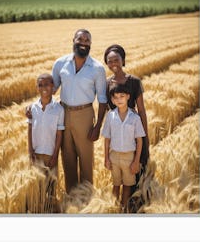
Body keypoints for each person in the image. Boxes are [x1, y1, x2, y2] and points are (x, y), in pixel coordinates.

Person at [51, 29, 107, 193]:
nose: (83, 42)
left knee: (86, 158)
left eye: (87, 40)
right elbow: (51, 89)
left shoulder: (97, 68)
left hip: (85, 114)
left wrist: (97, 127)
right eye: (80, 39)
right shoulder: (60, 63)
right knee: (67, 157)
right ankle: (71, 196)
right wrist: (35, 106)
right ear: (73, 40)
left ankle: (87, 196)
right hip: (63, 113)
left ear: (90, 44)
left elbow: (102, 100)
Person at [103, 44, 149, 194]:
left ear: (123, 60)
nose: (113, 64)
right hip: (116, 129)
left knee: (134, 170)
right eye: (109, 61)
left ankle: (133, 204)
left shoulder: (135, 82)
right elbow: (104, 107)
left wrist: (144, 135)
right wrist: (98, 126)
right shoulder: (107, 83)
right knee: (116, 176)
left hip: (132, 128)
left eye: (116, 59)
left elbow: (141, 110)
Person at [102, 84, 146, 212]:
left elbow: (139, 141)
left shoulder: (135, 118)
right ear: (112, 100)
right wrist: (106, 158)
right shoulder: (110, 116)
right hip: (114, 156)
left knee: (127, 185)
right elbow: (107, 139)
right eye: (116, 97)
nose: (119, 99)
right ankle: (113, 208)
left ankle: (123, 209)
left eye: (122, 96)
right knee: (115, 184)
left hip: (129, 157)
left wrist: (136, 161)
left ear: (128, 97)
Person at [27, 73, 65, 206]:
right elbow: (30, 129)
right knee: (36, 183)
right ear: (37, 87)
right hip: (36, 152)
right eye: (40, 85)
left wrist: (55, 154)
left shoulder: (59, 109)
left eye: (47, 84)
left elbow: (59, 134)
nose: (44, 87)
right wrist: (30, 150)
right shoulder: (33, 108)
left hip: (50, 153)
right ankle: (38, 207)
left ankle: (49, 208)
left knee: (51, 184)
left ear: (53, 87)